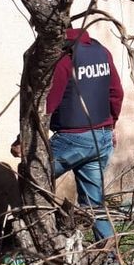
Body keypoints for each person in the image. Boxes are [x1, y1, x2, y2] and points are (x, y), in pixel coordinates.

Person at [13, 24, 124, 241]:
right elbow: (116, 92)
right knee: (94, 205)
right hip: (101, 137)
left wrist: (23, 140)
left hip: (73, 139)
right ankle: (110, 258)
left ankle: (39, 243)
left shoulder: (63, 57)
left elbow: (48, 103)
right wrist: (111, 126)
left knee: (32, 179)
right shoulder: (101, 51)